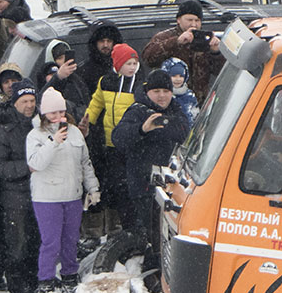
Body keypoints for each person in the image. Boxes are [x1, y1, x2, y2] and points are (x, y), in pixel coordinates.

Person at [27, 88, 98, 293]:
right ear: (44, 114)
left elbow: (85, 162)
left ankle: (69, 277)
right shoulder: (35, 136)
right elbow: (35, 164)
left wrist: (93, 188)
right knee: (51, 242)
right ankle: (45, 283)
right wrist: (54, 142)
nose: (59, 118)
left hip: (72, 195)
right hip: (47, 197)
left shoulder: (75, 132)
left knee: (70, 240)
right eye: (53, 113)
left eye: (62, 112)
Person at [112, 69, 190, 265]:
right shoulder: (137, 110)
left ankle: (161, 266)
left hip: (170, 185)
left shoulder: (176, 109)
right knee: (151, 234)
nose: (162, 96)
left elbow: (185, 133)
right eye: (156, 91)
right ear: (148, 92)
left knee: (166, 233)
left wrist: (165, 127)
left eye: (166, 90)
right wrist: (143, 129)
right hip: (143, 184)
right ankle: (149, 265)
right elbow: (118, 138)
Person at [0, 79, 40, 293]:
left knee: (36, 239)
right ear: (15, 102)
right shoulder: (2, 129)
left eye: (32, 100)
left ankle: (35, 281)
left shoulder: (39, 123)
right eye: (24, 101)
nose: (29, 105)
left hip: (39, 192)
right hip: (13, 194)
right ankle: (16, 286)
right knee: (16, 242)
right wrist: (26, 167)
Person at [84, 43, 141, 229]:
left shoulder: (140, 85)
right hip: (111, 144)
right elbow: (96, 104)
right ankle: (118, 224)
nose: (132, 67)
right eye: (128, 63)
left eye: (134, 63)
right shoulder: (106, 82)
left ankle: (132, 224)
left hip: (132, 145)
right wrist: (86, 122)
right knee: (116, 186)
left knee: (130, 188)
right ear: (117, 65)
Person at [141, 1, 224, 103]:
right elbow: (148, 58)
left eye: (197, 20)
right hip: (171, 102)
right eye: (189, 20)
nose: (194, 24)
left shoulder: (205, 39)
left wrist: (216, 52)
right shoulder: (165, 37)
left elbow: (220, 72)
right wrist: (176, 42)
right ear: (179, 20)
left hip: (200, 104)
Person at [38, 41, 91, 120]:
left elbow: (86, 101)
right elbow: (42, 98)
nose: (63, 61)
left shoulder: (76, 78)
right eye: (59, 58)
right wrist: (58, 77)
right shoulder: (46, 76)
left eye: (65, 57)